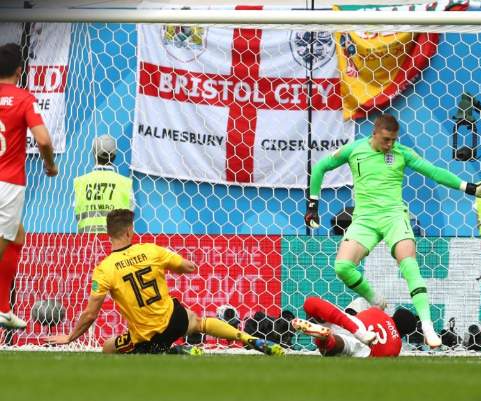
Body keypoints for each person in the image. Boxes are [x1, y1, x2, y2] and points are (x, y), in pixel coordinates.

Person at [305, 113, 481, 348]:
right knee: (342, 267)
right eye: (386, 140)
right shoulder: (354, 150)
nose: (390, 145)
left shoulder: (401, 153)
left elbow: (434, 172)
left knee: (409, 264)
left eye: (394, 140)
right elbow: (320, 167)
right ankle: (375, 299)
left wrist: (471, 188)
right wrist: (313, 204)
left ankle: (428, 327)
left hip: (395, 217)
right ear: (374, 134)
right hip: (364, 220)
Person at [46, 209, 284, 356]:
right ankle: (249, 339)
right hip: (175, 320)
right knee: (199, 322)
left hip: (146, 336)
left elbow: (89, 314)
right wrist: (179, 264)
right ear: (130, 231)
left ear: (109, 234)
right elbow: (188, 268)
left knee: (108, 348)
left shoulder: (104, 269)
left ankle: (171, 352)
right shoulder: (151, 250)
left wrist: (70, 337)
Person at [0, 42, 58, 329]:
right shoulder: (23, 98)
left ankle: (3, 307)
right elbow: (44, 140)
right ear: (20, 71)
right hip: (7, 184)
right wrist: (49, 164)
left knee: (17, 237)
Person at [291, 296, 417, 357]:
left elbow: (361, 314)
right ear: (404, 334)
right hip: (365, 347)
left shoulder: (378, 313)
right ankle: (326, 339)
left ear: (393, 315)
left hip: (352, 324)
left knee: (311, 303)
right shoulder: (396, 347)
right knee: (342, 345)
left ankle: (319, 323)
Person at [73, 135, 133, 233]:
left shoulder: (81, 182)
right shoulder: (125, 183)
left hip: (87, 243)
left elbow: (76, 211)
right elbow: (131, 212)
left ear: (94, 153)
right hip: (117, 243)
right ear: (115, 156)